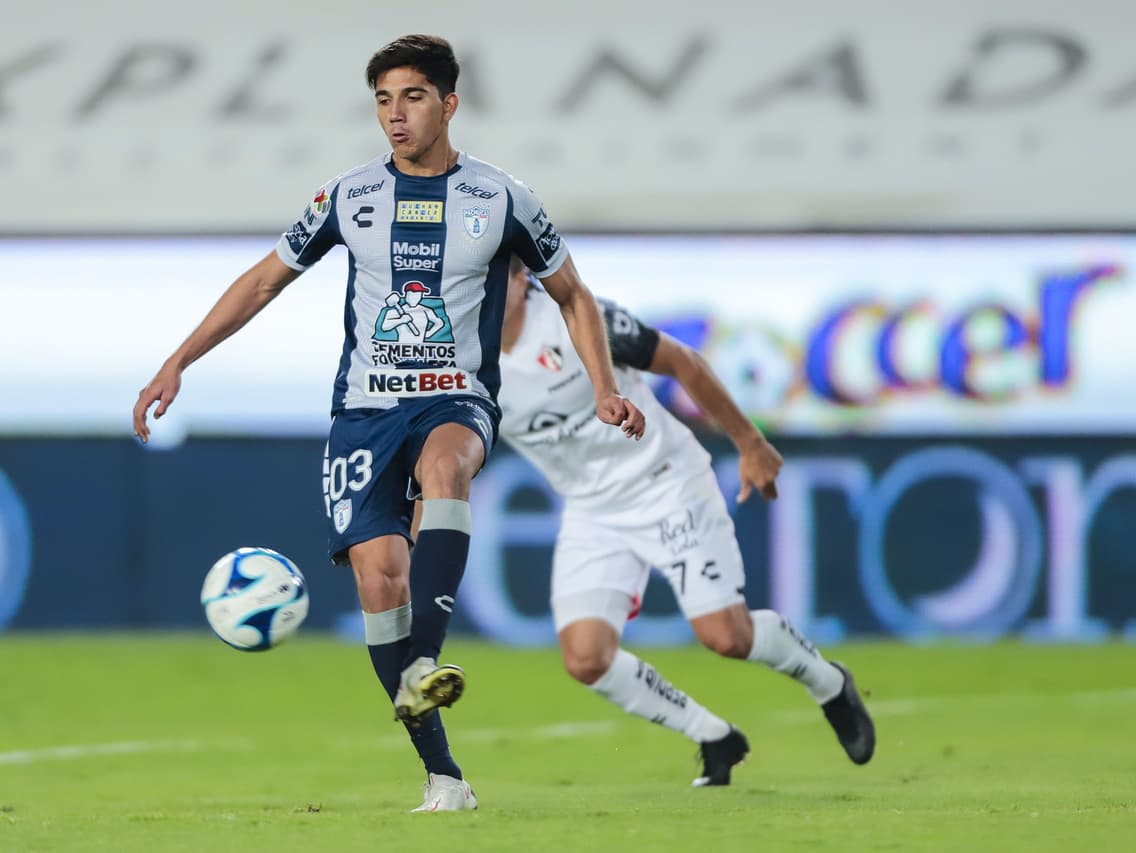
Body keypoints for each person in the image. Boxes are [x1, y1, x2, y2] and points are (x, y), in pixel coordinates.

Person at [131, 34, 646, 812]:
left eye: (411, 97)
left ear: (449, 102)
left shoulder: (502, 198)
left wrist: (604, 387)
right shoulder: (348, 198)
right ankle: (443, 773)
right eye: (382, 100)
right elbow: (265, 280)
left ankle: (425, 660)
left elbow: (572, 293)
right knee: (380, 578)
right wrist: (179, 359)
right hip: (364, 411)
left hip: (456, 397)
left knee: (447, 470)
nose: (395, 116)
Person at [495, 257, 875, 787]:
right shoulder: (458, 355)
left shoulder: (579, 320)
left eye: (491, 276)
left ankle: (829, 682)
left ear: (521, 278)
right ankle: (714, 736)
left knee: (726, 637)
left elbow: (683, 361)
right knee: (585, 659)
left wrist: (750, 443)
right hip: (592, 508)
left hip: (664, 481)